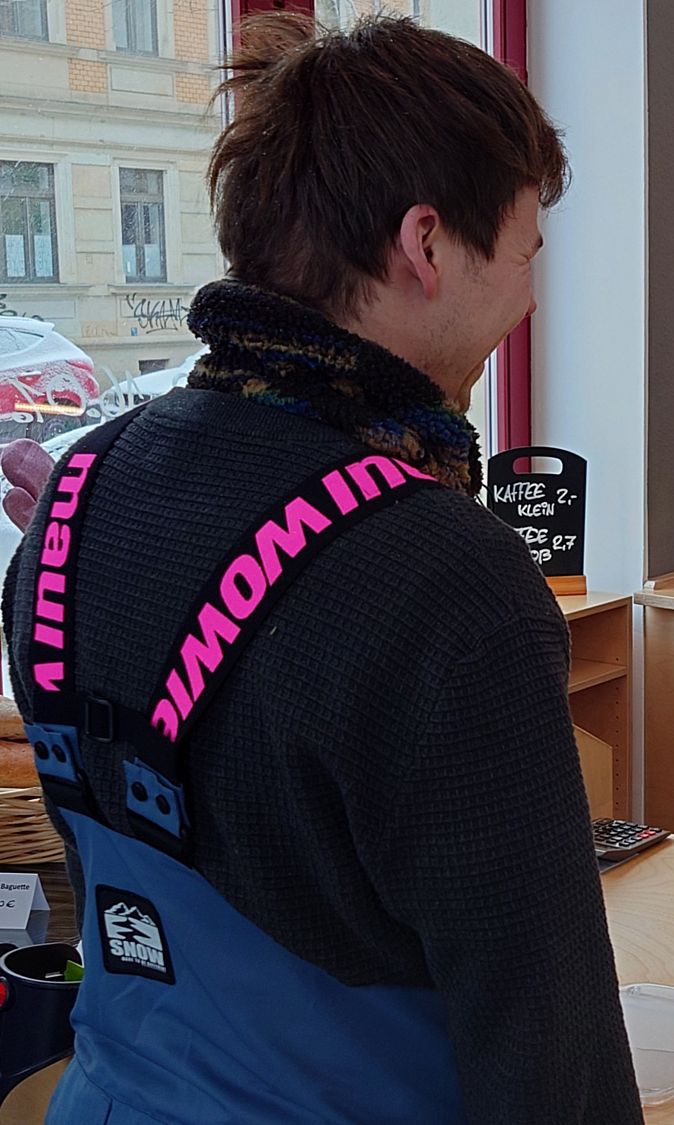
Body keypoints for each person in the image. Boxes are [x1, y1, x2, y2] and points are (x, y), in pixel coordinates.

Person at [1, 15, 641, 1122]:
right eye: (527, 254)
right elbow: (546, 1045)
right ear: (428, 245)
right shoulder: (447, 577)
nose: (530, 299)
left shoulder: (77, 494)